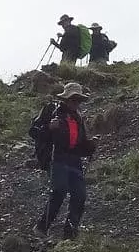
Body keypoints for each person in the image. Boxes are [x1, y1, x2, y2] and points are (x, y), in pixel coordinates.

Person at [33, 82, 94, 239]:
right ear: (65, 99)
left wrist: (91, 145)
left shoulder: (78, 118)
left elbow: (81, 146)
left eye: (78, 100)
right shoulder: (51, 111)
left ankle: (70, 233)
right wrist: (48, 128)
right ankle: (42, 227)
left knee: (80, 196)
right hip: (57, 157)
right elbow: (33, 132)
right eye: (73, 99)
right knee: (59, 190)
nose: (75, 103)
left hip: (74, 160)